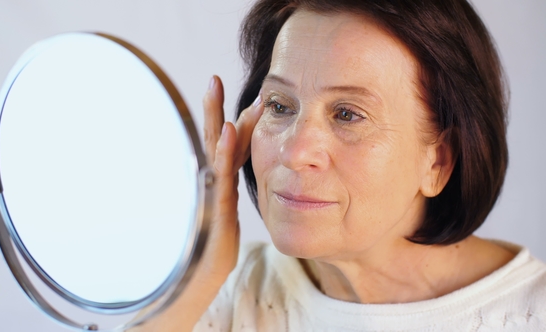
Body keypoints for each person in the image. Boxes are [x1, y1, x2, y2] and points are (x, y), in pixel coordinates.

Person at [134, 0, 546, 330]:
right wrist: (203, 273)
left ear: (437, 160)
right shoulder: (226, 290)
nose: (295, 153)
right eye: (279, 105)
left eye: (348, 114)